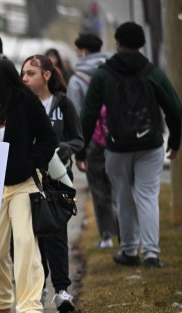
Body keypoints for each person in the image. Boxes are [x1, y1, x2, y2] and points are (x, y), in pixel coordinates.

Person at [81, 22, 181, 268]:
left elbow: (88, 115)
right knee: (148, 196)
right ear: (142, 45)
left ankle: (128, 250)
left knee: (124, 197)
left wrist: (81, 150)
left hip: (116, 147)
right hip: (151, 144)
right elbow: (175, 110)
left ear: (117, 43)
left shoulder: (104, 74)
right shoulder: (153, 72)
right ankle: (151, 253)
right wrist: (175, 141)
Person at [0, 58, 57, 313]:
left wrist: (30, 161)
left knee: (25, 243)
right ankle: (0, 299)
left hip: (24, 184)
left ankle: (30, 305)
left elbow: (48, 138)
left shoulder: (25, 101)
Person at [21, 54, 84, 313]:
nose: (24, 78)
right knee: (31, 236)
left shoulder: (63, 104)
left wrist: (64, 149)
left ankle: (62, 290)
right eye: (22, 73)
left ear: (46, 75)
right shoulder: (19, 105)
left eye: (30, 73)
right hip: (27, 178)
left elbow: (78, 139)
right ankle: (38, 286)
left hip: (57, 181)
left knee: (56, 233)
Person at [69, 33, 117, 249]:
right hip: (118, 137)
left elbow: (76, 114)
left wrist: (79, 146)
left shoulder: (78, 78)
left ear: (83, 51)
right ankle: (127, 233)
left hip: (93, 141)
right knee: (121, 186)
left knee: (99, 188)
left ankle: (107, 235)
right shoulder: (114, 71)